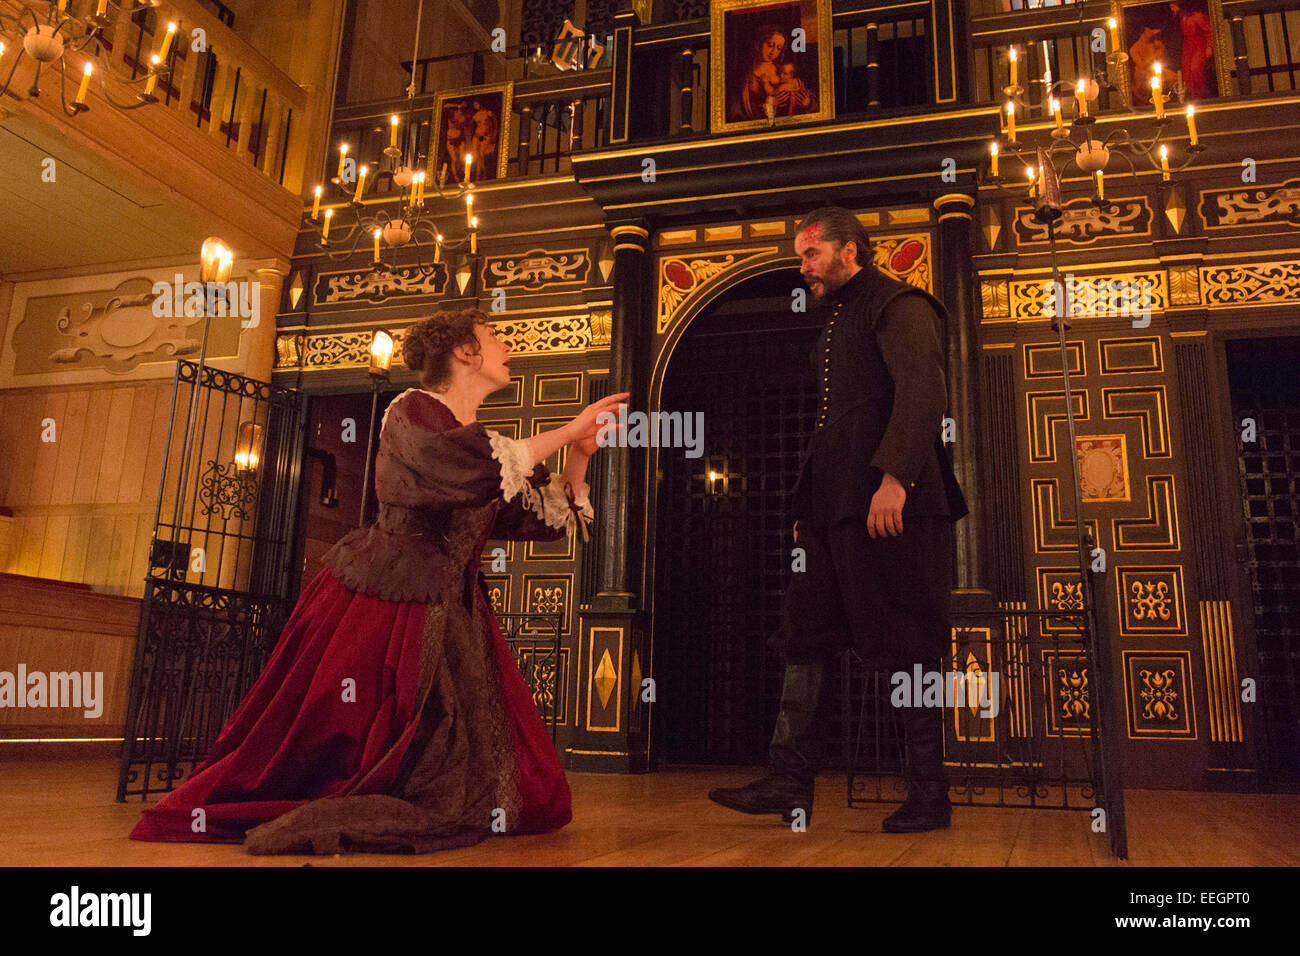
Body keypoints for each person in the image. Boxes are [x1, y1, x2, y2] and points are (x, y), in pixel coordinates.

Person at [129, 309, 628, 854]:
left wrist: (580, 454)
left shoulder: (488, 448)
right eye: (495, 337)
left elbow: (535, 517)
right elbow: (459, 464)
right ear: (464, 352)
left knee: (472, 760)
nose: (508, 346)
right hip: (386, 594)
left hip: (451, 604)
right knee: (349, 734)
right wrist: (567, 429)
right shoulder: (412, 413)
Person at [708, 206, 967, 832]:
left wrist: (895, 479)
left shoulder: (900, 303)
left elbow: (922, 396)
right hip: (835, 515)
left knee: (907, 643)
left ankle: (930, 793)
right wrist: (810, 513)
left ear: (849, 251)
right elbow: (836, 426)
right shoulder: (842, 316)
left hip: (890, 508)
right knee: (807, 633)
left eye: (810, 255)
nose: (802, 268)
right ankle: (789, 780)